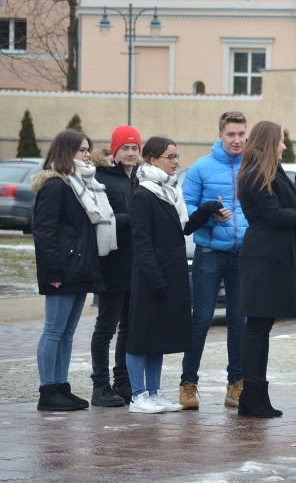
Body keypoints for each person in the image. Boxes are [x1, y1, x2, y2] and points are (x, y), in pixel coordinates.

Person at [236, 121, 296, 418]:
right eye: (279, 141)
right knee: (257, 325)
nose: (283, 146)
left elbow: (290, 208)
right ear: (268, 143)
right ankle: (250, 396)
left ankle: (257, 395)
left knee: (262, 325)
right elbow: (275, 215)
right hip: (264, 254)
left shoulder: (272, 172)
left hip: (274, 252)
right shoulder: (256, 174)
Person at [127, 137, 223, 414]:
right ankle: (137, 395)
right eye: (170, 157)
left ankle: (154, 392)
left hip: (171, 272)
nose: (176, 162)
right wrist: (154, 278)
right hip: (150, 275)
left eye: (176, 156)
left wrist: (205, 210)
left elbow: (184, 228)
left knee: (156, 336)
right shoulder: (145, 193)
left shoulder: (168, 191)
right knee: (140, 335)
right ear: (153, 159)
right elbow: (141, 241)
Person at [32, 130, 107, 411]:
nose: (88, 155)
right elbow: (44, 232)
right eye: (82, 151)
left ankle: (61, 386)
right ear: (67, 152)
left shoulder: (79, 185)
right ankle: (48, 390)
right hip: (61, 271)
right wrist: (52, 273)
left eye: (88, 150)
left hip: (78, 269)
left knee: (67, 332)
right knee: (53, 330)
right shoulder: (55, 185)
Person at [180, 111, 249, 410]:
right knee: (201, 320)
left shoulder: (252, 166)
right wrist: (210, 216)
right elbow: (186, 208)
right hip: (209, 253)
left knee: (239, 322)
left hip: (243, 254)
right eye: (231, 134)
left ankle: (236, 385)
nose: (237, 140)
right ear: (220, 135)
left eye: (241, 134)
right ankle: (188, 384)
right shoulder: (201, 168)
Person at [89, 126, 143, 407]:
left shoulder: (139, 179)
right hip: (111, 263)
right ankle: (100, 386)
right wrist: (130, 219)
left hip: (136, 265)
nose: (131, 153)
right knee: (106, 326)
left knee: (129, 327)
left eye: (135, 148)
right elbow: (100, 218)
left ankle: (123, 382)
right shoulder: (102, 179)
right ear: (114, 150)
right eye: (125, 148)